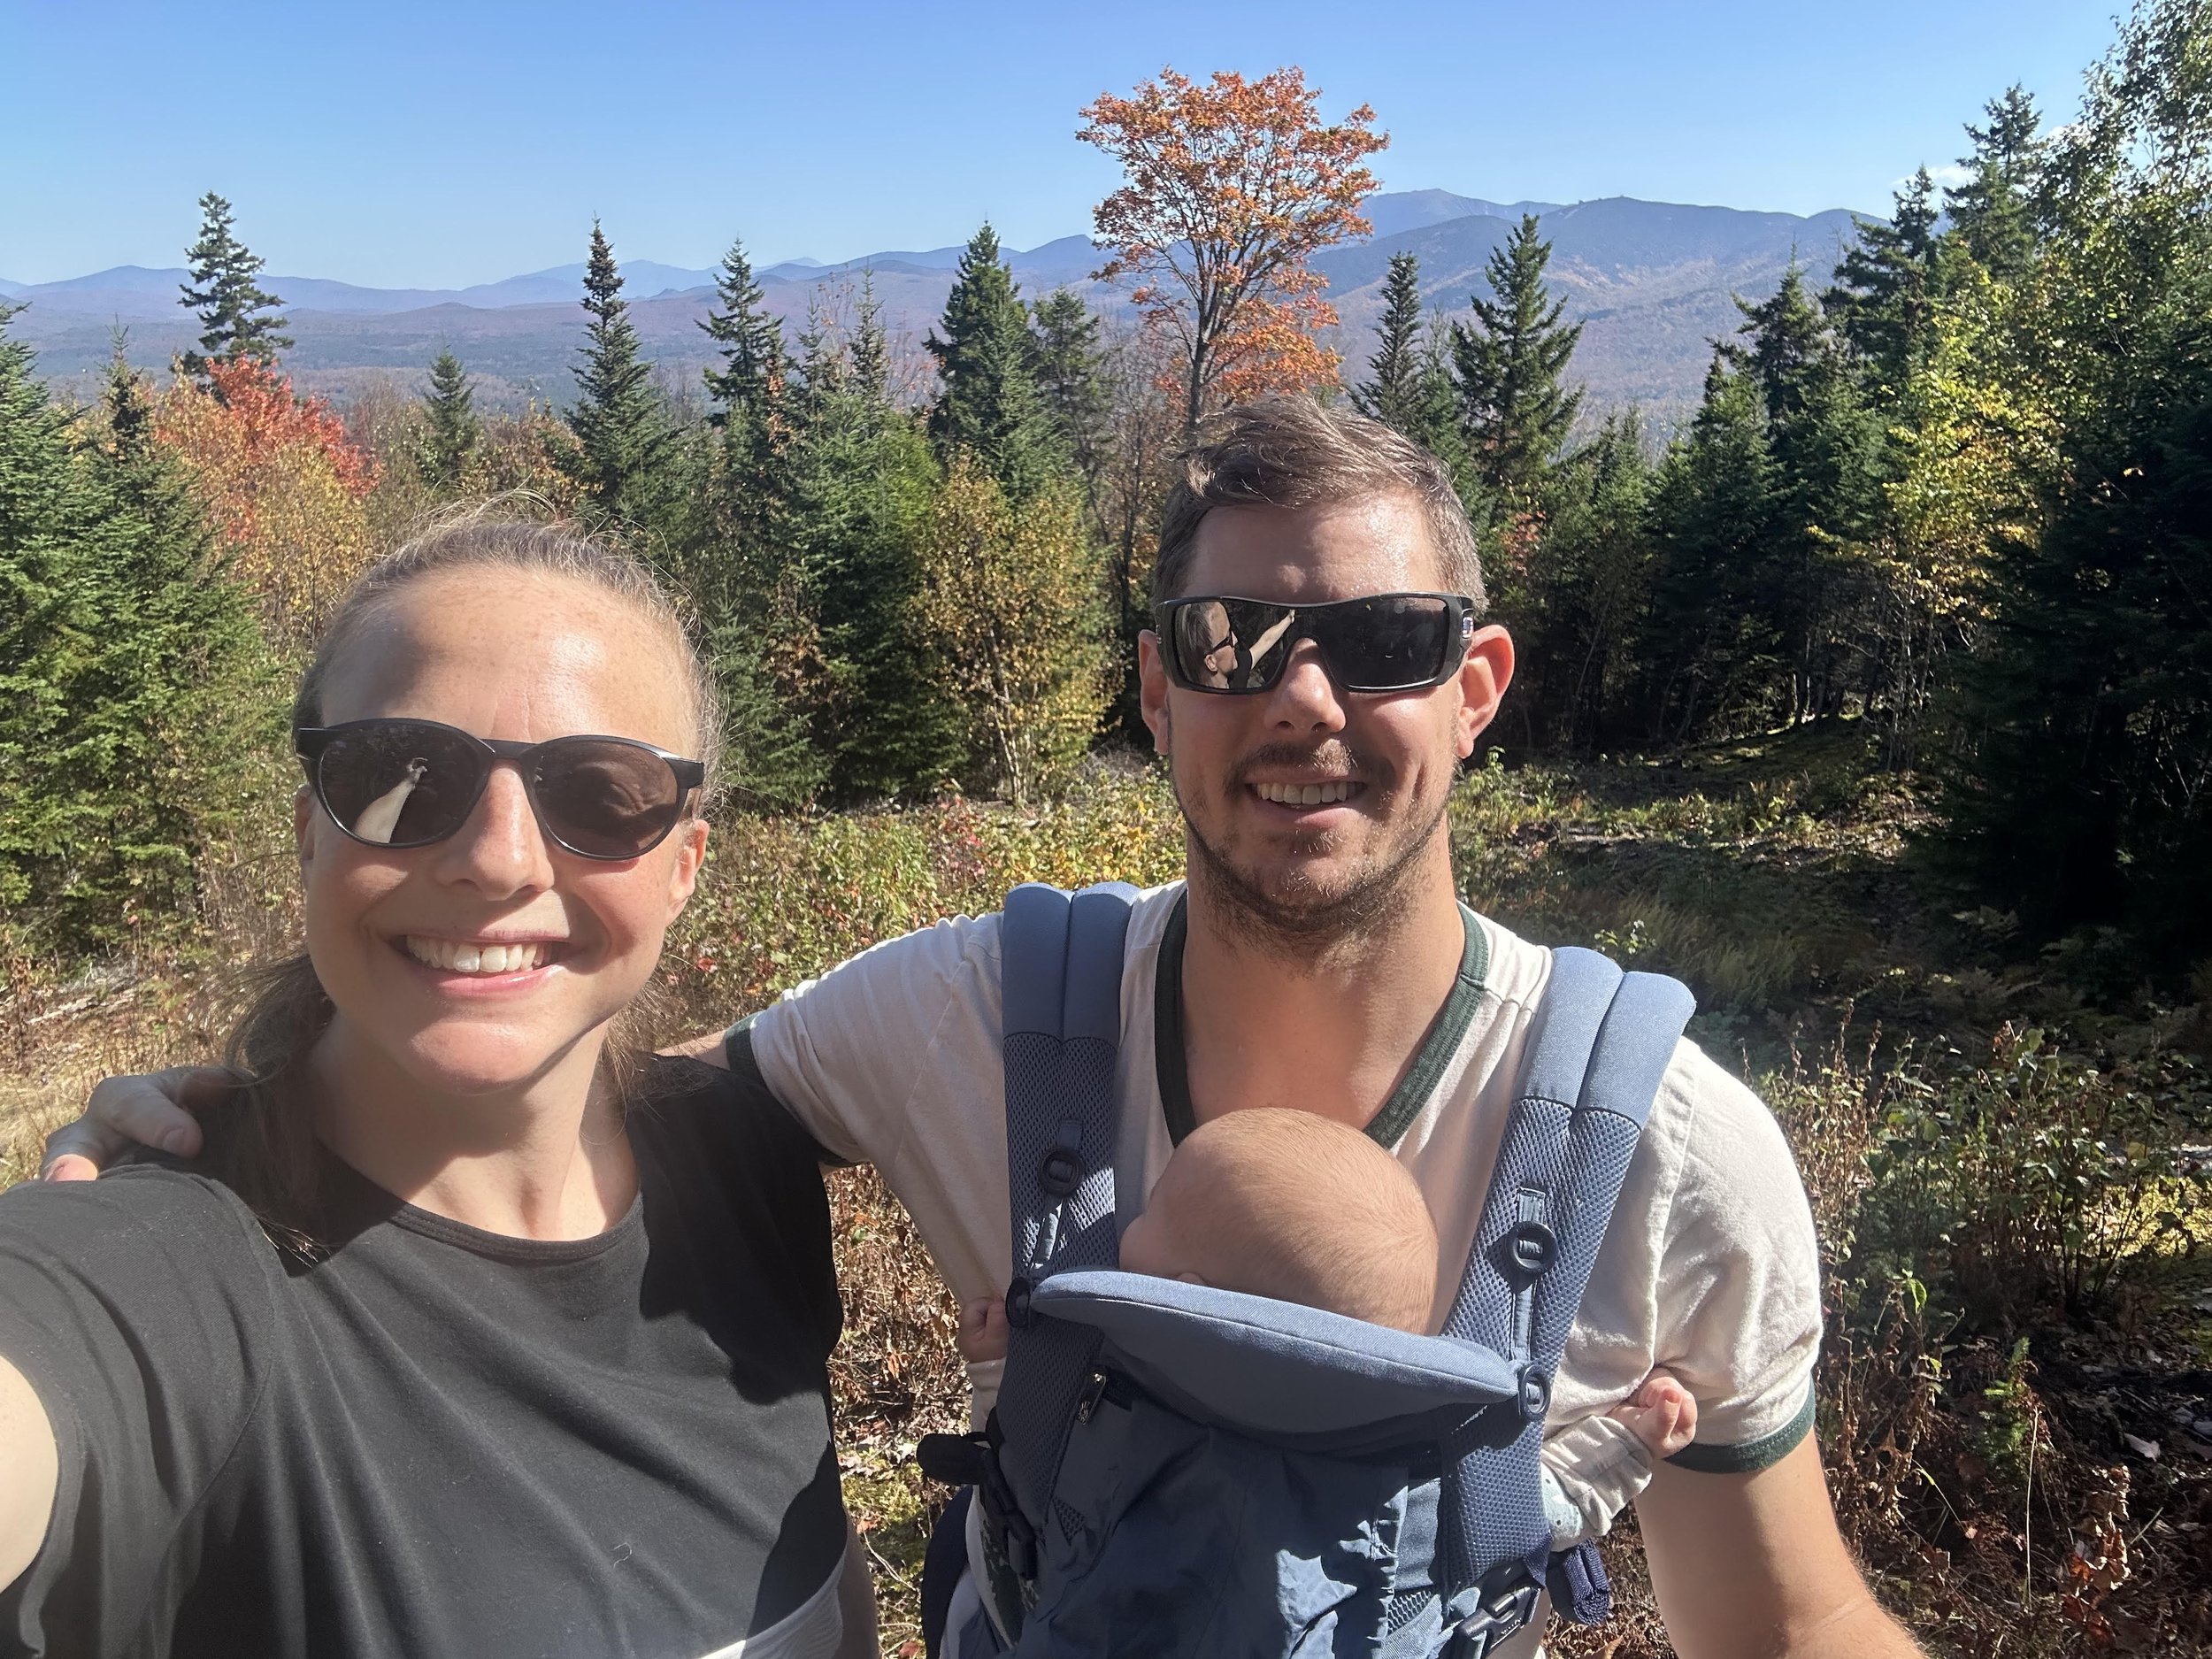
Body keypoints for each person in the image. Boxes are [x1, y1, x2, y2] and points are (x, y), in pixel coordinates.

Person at [51, 401, 1925, 1658]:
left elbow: (1777, 1620)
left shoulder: (1670, 1156)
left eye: (1381, 640)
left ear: (1479, 683)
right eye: (1225, 642)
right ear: (1152, 689)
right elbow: (594, 1095)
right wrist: (249, 1115)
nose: (1300, 700)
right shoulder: (962, 1018)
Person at [4, 509, 874, 1658]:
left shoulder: (744, 1158)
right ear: (309, 832)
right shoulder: (167, 1268)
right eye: (400, 777)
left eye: (602, 793)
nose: (497, 857)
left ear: (682, 865)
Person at [954, 1106, 1701, 1548]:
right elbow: (1537, 1514)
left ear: (1185, 1298)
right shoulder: (1406, 1485)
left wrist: (997, 1369)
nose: (1128, 1221)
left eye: (1149, 1207)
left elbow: (1021, 1479)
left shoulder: (1121, 1433)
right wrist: (1628, 1445)